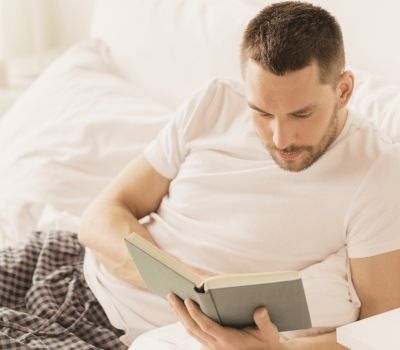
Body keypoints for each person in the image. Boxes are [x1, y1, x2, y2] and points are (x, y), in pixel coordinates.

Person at [0, 1, 399, 349]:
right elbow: (103, 213)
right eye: (262, 112)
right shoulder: (217, 101)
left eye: (301, 114)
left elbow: (378, 331)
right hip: (60, 264)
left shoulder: (376, 172)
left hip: (108, 332)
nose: (281, 138)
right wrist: (186, 283)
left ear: (343, 90)